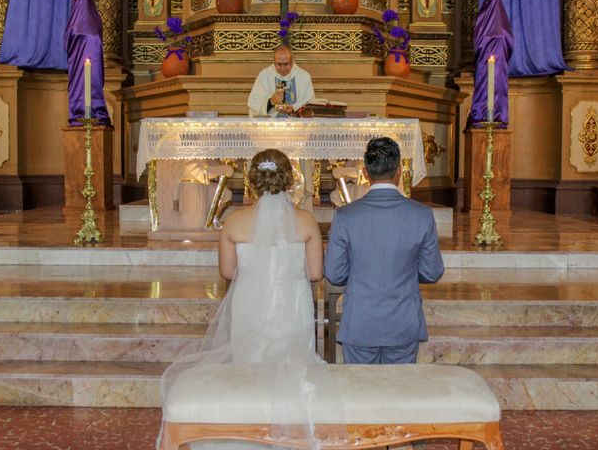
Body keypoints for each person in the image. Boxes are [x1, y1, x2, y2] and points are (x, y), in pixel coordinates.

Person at [158, 149, 343, 450]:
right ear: (289, 180)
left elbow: (228, 271)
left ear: (252, 182)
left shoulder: (234, 222)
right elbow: (315, 273)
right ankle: (291, 434)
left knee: (250, 366)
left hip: (250, 304)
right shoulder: (306, 221)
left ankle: (251, 433)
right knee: (292, 368)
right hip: (291, 304)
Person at [324, 137, 444, 365]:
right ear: (399, 170)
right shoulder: (421, 215)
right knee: (399, 394)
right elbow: (432, 272)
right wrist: (404, 269)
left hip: (360, 322)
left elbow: (335, 273)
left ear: (367, 173)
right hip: (403, 322)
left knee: (361, 395)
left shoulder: (345, 216)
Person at [247, 45, 315, 117]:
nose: (282, 68)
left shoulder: (303, 76)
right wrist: (271, 102)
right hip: (271, 126)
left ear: (292, 61)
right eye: (279, 64)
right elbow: (254, 105)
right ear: (273, 61)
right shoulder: (265, 75)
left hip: (297, 126)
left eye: (286, 64)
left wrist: (294, 108)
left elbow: (310, 104)